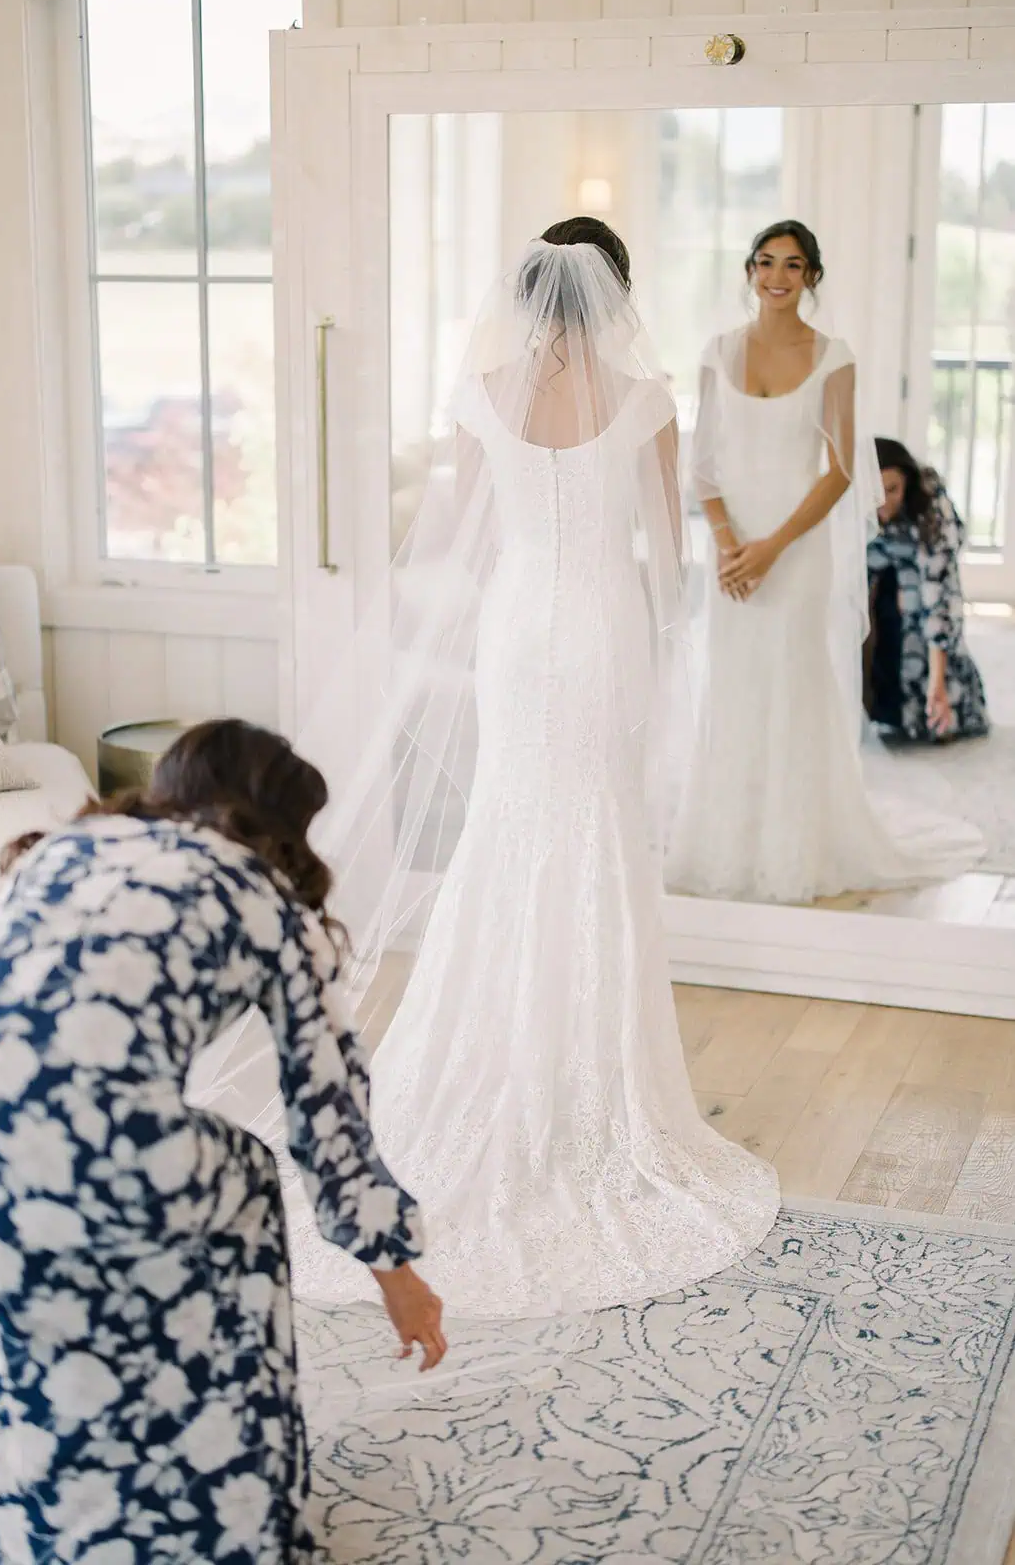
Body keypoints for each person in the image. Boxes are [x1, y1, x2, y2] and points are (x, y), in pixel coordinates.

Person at [194, 218, 782, 1330]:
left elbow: (466, 542)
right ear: (617, 295)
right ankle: (586, 1079)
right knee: (595, 828)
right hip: (600, 627)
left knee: (508, 823)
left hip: (518, 632)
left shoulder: (478, 394)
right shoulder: (645, 400)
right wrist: (664, 653)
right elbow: (666, 553)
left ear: (524, 295)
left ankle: (497, 1055)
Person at [0, 720, 444, 1562]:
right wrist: (398, 1276)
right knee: (243, 1177)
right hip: (102, 1149)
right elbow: (328, 1121)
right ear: (277, 827)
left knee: (34, 1305)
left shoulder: (62, 848)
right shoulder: (261, 893)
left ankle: (42, 1526)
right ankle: (224, 1503)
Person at [664, 219, 984, 904]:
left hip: (795, 546)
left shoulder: (833, 357)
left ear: (811, 276)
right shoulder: (717, 351)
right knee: (735, 681)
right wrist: (729, 545)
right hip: (732, 548)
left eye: (792, 264)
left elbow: (840, 470)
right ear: (750, 271)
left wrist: (771, 546)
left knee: (792, 678)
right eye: (765, 262)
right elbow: (703, 465)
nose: (776, 276)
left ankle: (795, 843)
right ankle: (730, 838)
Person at [865, 437, 989, 742]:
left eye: (892, 489)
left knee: (915, 604)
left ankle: (937, 696)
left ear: (907, 483)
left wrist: (937, 683)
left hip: (928, 586)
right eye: (875, 492)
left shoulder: (933, 510)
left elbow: (939, 598)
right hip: (883, 578)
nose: (883, 502)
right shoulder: (855, 510)